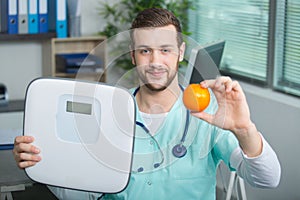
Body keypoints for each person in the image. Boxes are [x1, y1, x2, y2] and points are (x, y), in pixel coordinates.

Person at [13, 8, 281, 200]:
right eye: (145, 51)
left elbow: (267, 179)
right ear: (132, 55)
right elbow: (82, 193)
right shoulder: (106, 111)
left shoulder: (209, 112)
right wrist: (43, 163)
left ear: (181, 53)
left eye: (165, 50)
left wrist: (244, 129)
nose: (155, 61)